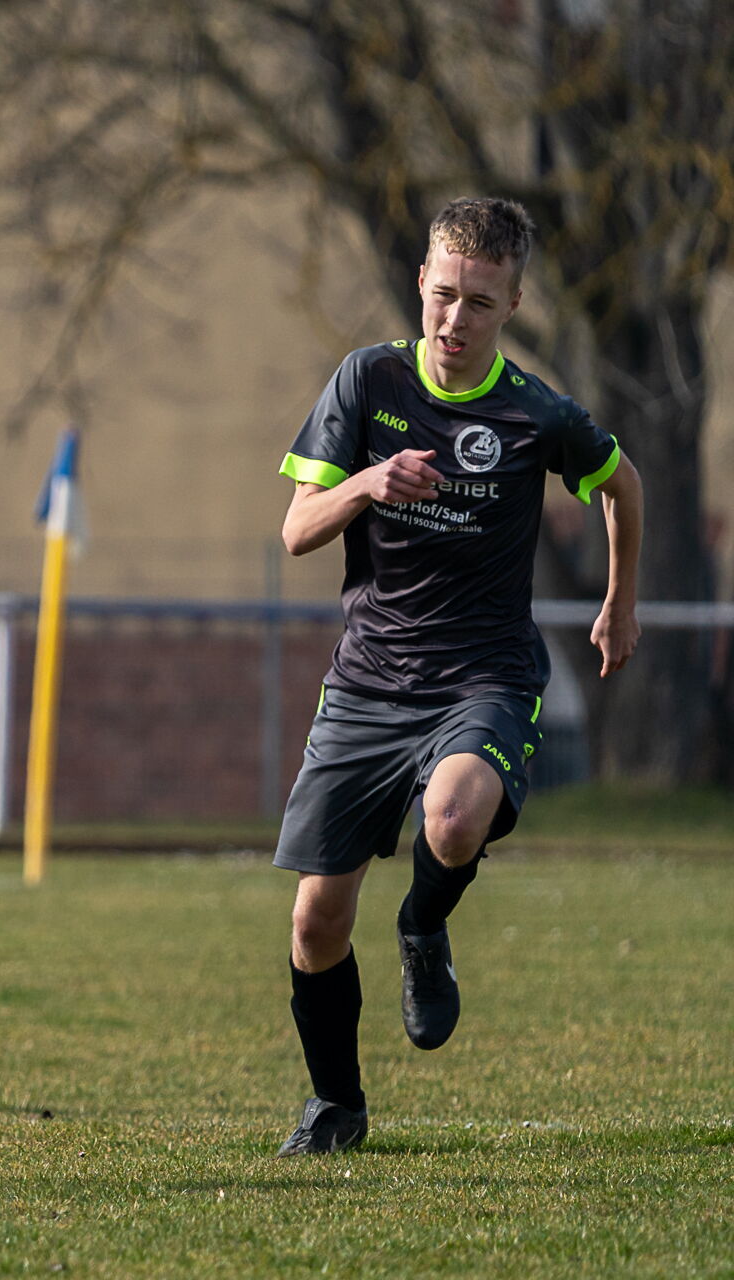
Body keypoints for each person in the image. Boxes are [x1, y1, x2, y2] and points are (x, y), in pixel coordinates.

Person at [271, 197, 642, 1155]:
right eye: (443, 295)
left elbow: (622, 484)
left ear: (512, 303)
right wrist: (368, 481)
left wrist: (619, 602)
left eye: (479, 302)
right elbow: (298, 530)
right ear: (421, 284)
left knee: (455, 813)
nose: (454, 319)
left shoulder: (535, 412)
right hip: (368, 681)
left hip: (484, 676)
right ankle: (336, 1106)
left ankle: (424, 928)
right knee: (315, 922)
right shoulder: (368, 380)